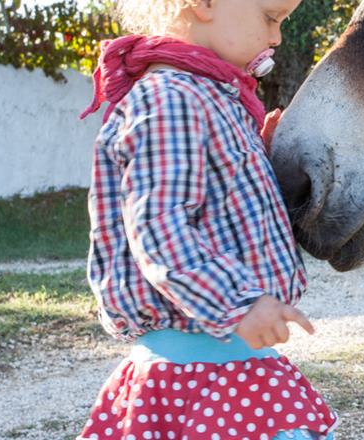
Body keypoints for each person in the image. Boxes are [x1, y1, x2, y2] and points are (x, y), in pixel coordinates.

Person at [75, 1, 337, 439]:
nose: (276, 38)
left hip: (230, 363)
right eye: (270, 18)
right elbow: (160, 227)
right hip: (195, 373)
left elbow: (222, 212)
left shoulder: (211, 96)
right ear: (204, 4)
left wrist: (263, 159)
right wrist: (237, 302)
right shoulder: (171, 99)